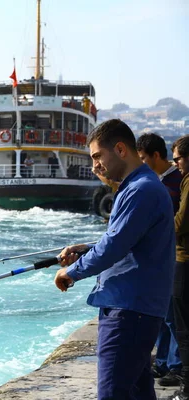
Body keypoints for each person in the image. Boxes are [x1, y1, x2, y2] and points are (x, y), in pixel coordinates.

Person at [54, 119, 175, 400]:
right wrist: (86, 248)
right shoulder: (140, 186)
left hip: (129, 310)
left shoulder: (141, 190)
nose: (95, 165)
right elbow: (126, 240)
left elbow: (114, 245)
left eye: (98, 156)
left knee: (112, 393)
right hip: (134, 307)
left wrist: (72, 271)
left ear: (120, 149)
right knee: (137, 392)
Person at [137, 133, 183, 386]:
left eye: (144, 158)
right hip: (161, 256)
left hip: (174, 256)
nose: (142, 163)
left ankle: (175, 365)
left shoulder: (176, 182)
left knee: (172, 315)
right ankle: (163, 362)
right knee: (163, 314)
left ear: (156, 155)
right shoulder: (156, 181)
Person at [171, 135, 189, 399]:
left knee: (182, 325)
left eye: (178, 158)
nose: (175, 164)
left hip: (184, 261)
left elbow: (181, 222)